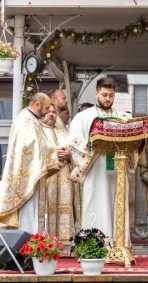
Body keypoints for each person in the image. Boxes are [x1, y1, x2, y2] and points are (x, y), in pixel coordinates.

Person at [68, 77, 133, 239]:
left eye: (111, 95)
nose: (108, 99)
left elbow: (132, 143)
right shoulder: (83, 117)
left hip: (117, 171)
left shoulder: (123, 117)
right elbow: (74, 140)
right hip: (94, 170)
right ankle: (93, 244)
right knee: (94, 203)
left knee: (115, 204)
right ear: (96, 93)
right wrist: (93, 146)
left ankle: (118, 243)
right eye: (104, 95)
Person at [0, 93, 59, 233]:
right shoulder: (26, 120)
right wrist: (54, 151)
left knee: (35, 211)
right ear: (37, 105)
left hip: (33, 174)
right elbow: (30, 146)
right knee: (29, 212)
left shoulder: (31, 119)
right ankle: (29, 246)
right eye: (45, 108)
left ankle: (35, 245)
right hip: (27, 176)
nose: (46, 112)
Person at [39, 105, 75, 244]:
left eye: (54, 112)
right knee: (48, 207)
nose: (51, 114)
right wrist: (54, 154)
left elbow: (73, 150)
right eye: (48, 112)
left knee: (65, 208)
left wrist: (69, 155)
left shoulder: (64, 132)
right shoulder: (38, 131)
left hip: (65, 176)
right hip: (47, 176)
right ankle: (46, 242)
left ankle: (65, 242)